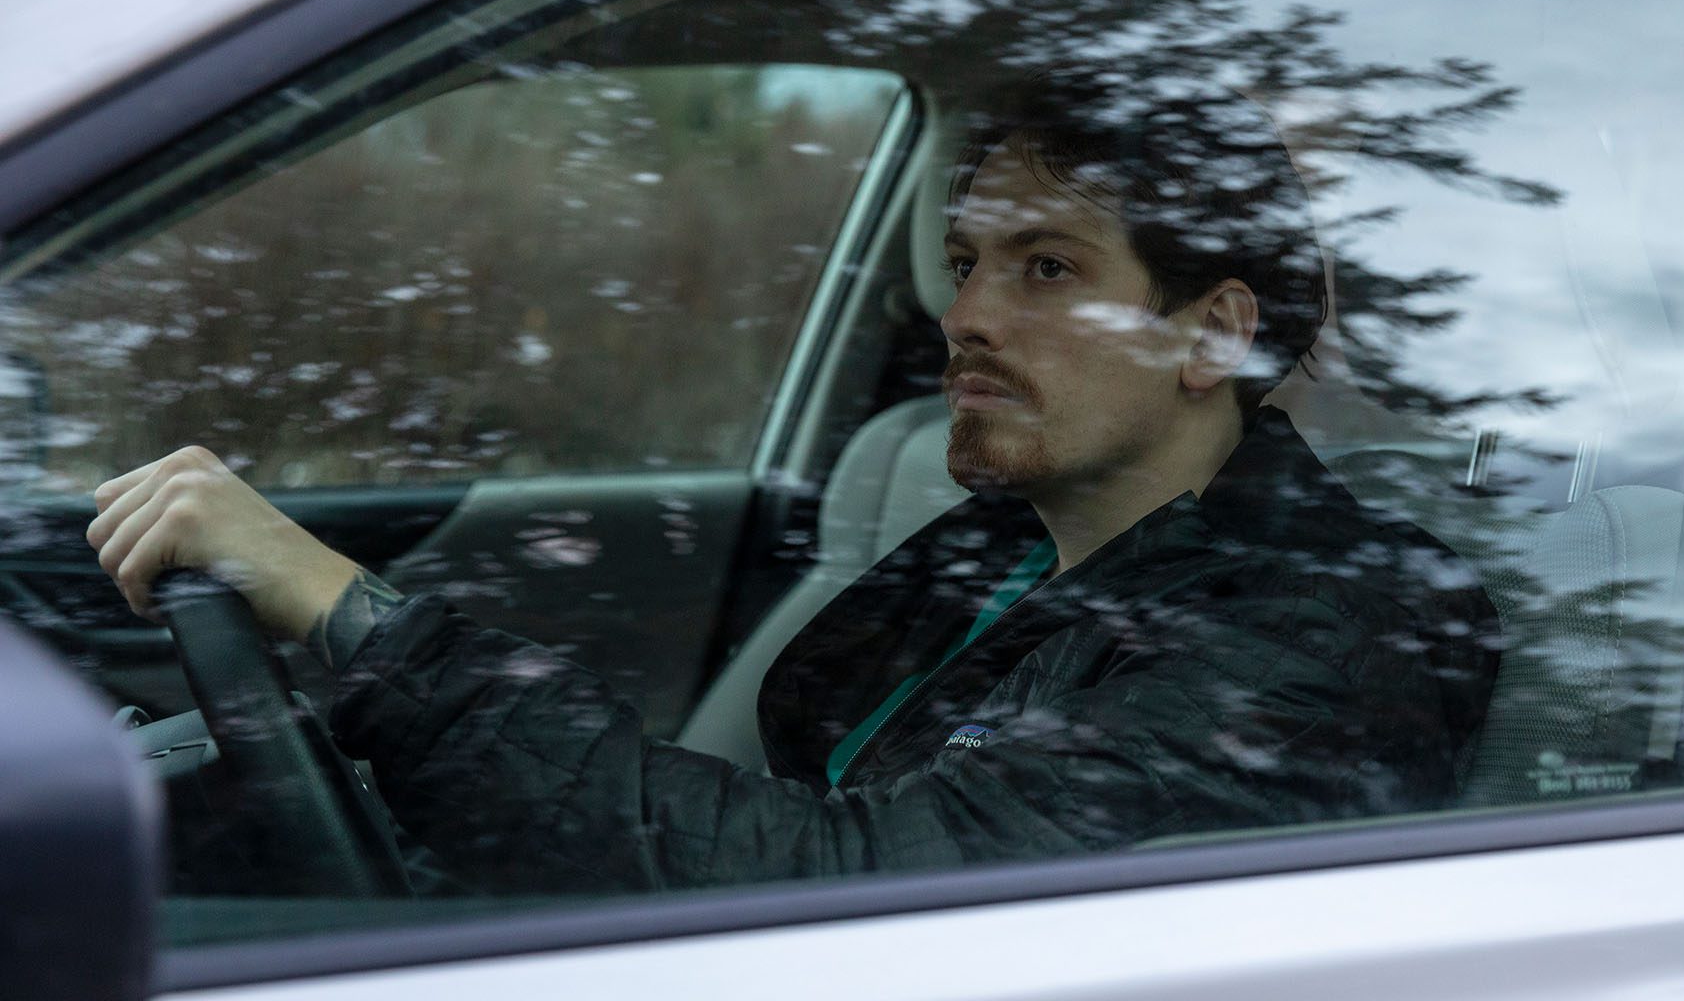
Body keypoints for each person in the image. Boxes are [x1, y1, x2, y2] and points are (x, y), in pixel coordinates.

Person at [86, 85, 1500, 894]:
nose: (967, 317)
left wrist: (359, 621)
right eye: (967, 264)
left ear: (1214, 332)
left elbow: (856, 888)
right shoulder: (1005, 546)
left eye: (1046, 268)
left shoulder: (1324, 637)